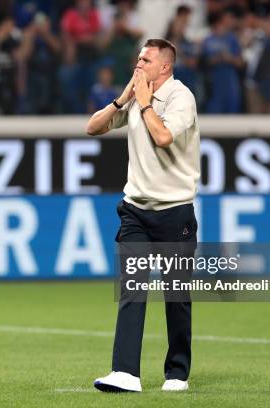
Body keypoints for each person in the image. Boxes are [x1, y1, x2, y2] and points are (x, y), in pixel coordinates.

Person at [86, 38, 200, 393]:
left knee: (176, 296)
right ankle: (125, 373)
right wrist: (123, 99)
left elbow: (163, 137)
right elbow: (93, 127)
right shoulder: (135, 96)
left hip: (174, 213)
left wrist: (146, 104)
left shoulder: (181, 97)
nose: (138, 64)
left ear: (164, 66)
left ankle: (177, 372)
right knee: (133, 289)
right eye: (137, 58)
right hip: (136, 211)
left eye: (145, 60)